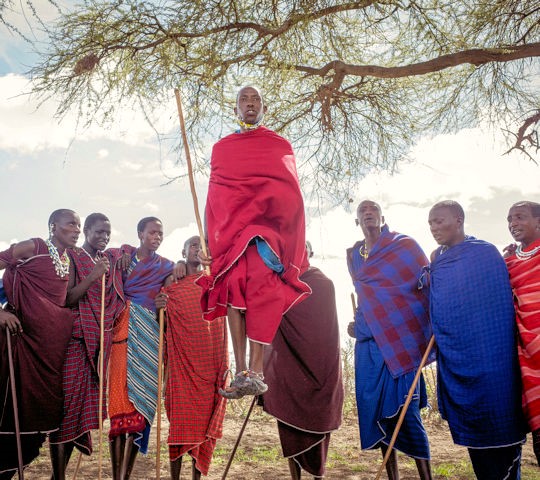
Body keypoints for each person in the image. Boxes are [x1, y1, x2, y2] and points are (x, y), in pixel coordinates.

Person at [196, 85, 311, 399]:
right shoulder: (222, 148)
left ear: (264, 109)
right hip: (232, 235)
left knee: (262, 287)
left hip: (266, 235)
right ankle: (242, 370)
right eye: (244, 99)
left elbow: (290, 196)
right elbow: (216, 198)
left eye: (256, 99)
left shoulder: (279, 145)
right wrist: (210, 240)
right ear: (235, 110)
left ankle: (256, 369)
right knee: (232, 286)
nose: (250, 103)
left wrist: (291, 236)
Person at [426, 200, 526, 479]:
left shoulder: (485, 254)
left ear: (459, 220)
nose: (434, 228)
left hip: (493, 356)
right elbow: (438, 303)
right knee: (477, 443)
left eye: (439, 221)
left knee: (501, 426)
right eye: (430, 223)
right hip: (457, 358)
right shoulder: (437, 260)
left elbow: (499, 306)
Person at [346, 200, 434, 480]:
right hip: (369, 344)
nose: (367, 213)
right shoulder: (353, 256)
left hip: (400, 341)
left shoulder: (403, 246)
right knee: (379, 412)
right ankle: (392, 477)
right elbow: (367, 297)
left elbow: (425, 285)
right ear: (357, 220)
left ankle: (426, 477)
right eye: (362, 211)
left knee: (407, 412)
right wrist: (358, 323)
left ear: (384, 216)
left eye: (372, 209)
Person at [0, 209, 80, 478]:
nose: (77, 229)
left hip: (46, 353)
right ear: (53, 226)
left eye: (79, 225)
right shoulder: (33, 246)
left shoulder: (67, 260)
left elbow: (64, 301)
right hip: (17, 344)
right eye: (71, 224)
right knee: (8, 412)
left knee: (35, 419)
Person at [48, 213, 125, 479]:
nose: (104, 237)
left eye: (108, 232)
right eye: (99, 231)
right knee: (66, 412)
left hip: (98, 347)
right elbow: (67, 298)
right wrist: (93, 276)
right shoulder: (73, 257)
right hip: (76, 344)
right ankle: (57, 476)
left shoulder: (109, 261)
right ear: (87, 232)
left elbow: (127, 254)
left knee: (79, 416)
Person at [261, 246, 344, 479]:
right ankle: (295, 476)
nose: (298, 251)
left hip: (319, 365)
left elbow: (326, 331)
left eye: (304, 248)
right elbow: (262, 314)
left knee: (318, 420)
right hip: (288, 365)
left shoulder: (322, 283)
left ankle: (318, 476)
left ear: (311, 253)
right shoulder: (277, 283)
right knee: (288, 423)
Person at [154, 235, 228, 480]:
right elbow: (163, 325)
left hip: (210, 365)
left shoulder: (214, 280)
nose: (198, 249)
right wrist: (160, 307)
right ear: (184, 251)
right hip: (183, 368)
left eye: (202, 246)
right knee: (180, 428)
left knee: (204, 428)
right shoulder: (174, 283)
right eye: (193, 245)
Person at [107, 216, 175, 480]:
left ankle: (126, 474)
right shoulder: (121, 259)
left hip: (149, 338)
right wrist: (123, 252)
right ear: (139, 233)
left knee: (141, 409)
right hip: (121, 336)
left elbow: (168, 307)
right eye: (152, 232)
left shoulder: (166, 267)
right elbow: (104, 261)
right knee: (119, 408)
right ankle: (116, 476)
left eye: (161, 233)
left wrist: (163, 305)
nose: (157, 237)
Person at [504, 201, 540, 466]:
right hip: (529, 357)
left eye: (519, 217)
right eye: (509, 219)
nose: (512, 223)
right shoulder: (508, 260)